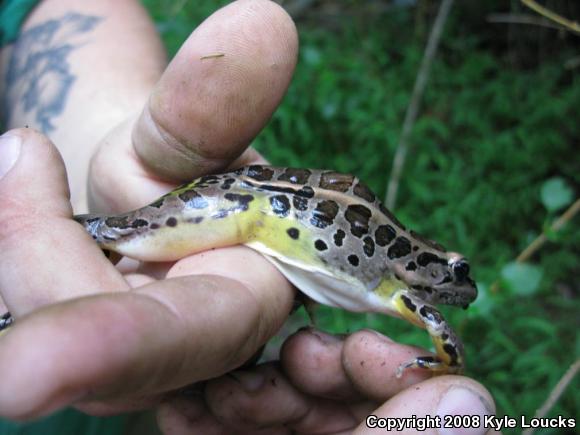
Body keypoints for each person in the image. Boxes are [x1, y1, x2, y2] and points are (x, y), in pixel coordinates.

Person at [0, 0, 496, 433]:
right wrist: (446, 364)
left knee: (127, 236)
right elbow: (444, 338)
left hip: (245, 223)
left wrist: (115, 157)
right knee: (125, 231)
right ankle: (83, 246)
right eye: (456, 273)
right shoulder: (410, 296)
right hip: (248, 204)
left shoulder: (396, 285)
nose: (459, 287)